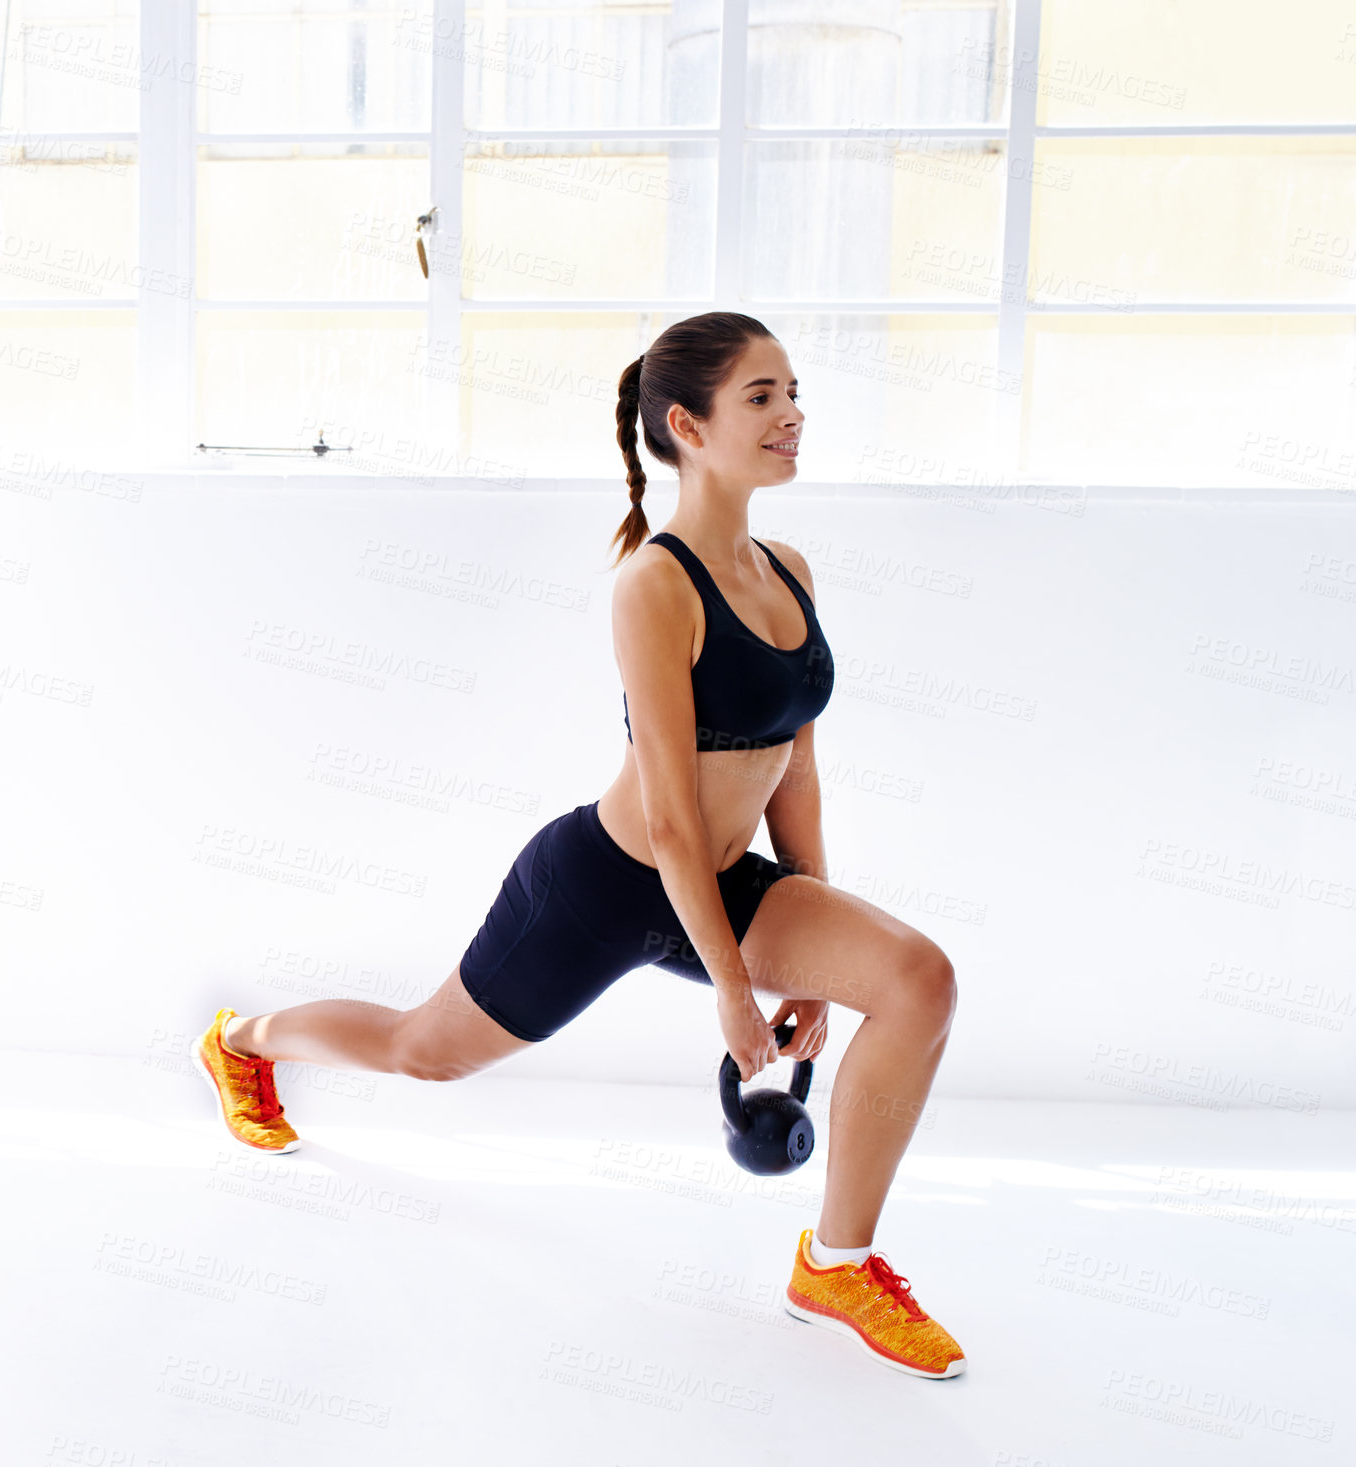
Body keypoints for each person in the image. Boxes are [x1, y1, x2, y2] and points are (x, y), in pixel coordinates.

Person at [191, 311, 964, 1378]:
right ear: (687, 427)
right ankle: (245, 1039)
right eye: (761, 397)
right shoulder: (656, 583)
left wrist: (815, 957)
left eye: (794, 394)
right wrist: (736, 992)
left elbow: (801, 777)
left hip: (729, 881)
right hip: (605, 884)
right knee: (427, 1052)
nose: (791, 416)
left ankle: (835, 1264)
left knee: (920, 979)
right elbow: (667, 816)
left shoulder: (791, 573)